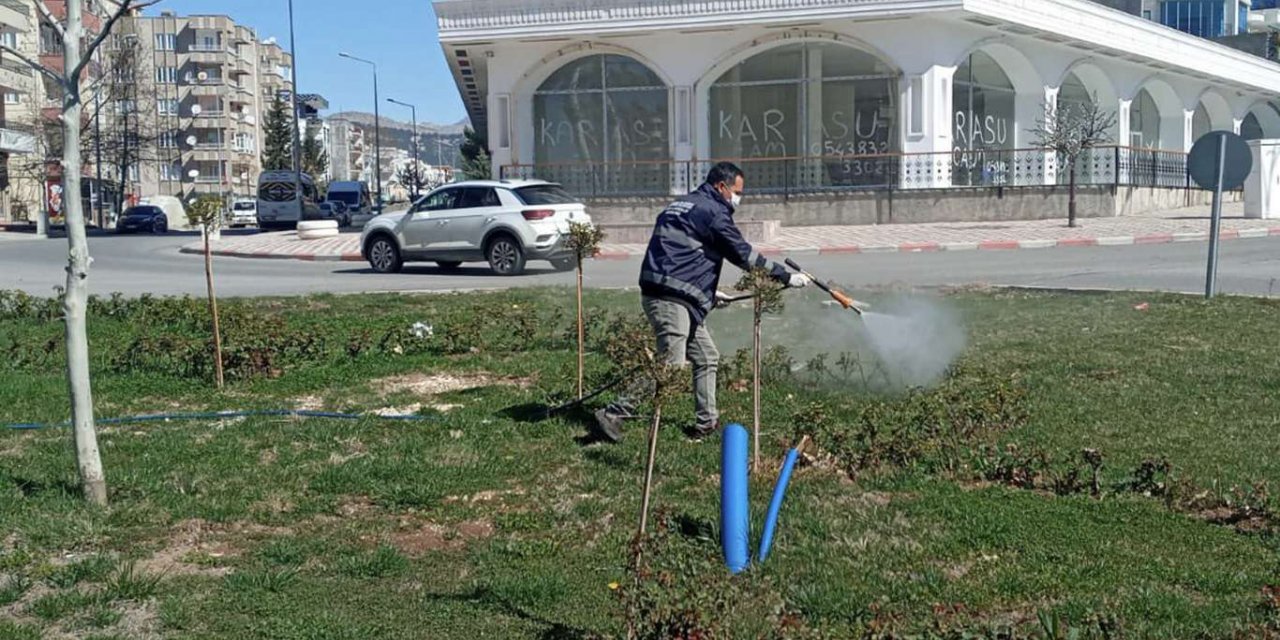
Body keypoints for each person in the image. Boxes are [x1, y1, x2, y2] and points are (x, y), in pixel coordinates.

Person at [592, 162, 811, 443]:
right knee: (671, 364)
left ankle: (706, 423)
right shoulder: (713, 212)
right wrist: (784, 277)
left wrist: (707, 292)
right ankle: (614, 413)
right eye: (737, 192)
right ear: (721, 187)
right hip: (670, 298)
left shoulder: (682, 205)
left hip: (670, 291)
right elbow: (743, 255)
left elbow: (679, 254)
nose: (738, 199)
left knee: (707, 356)